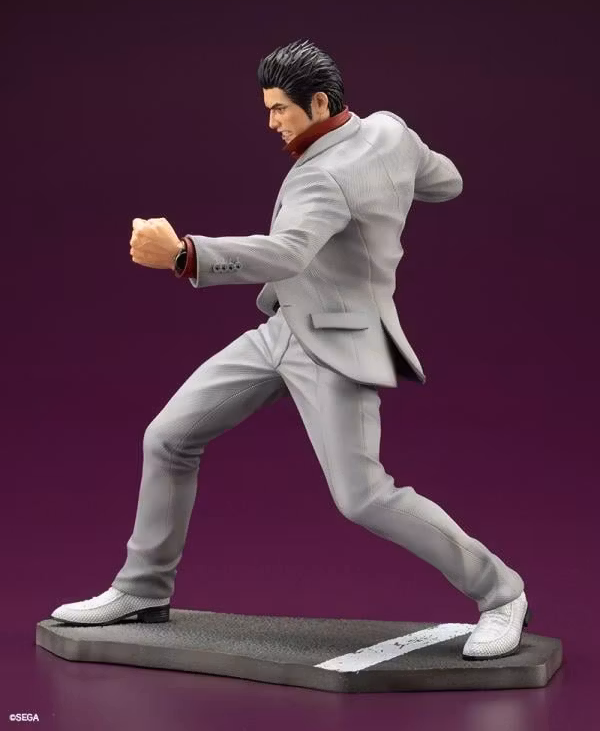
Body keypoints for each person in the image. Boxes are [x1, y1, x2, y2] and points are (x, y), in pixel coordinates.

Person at [51, 39, 530, 660]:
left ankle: (502, 593)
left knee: (364, 497)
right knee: (168, 437)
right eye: (269, 108)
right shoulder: (390, 130)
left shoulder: (322, 177)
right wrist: (386, 200)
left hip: (338, 339)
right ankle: (142, 589)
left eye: (280, 109)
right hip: (284, 326)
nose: (272, 121)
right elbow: (449, 181)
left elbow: (287, 253)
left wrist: (183, 254)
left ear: (320, 103)